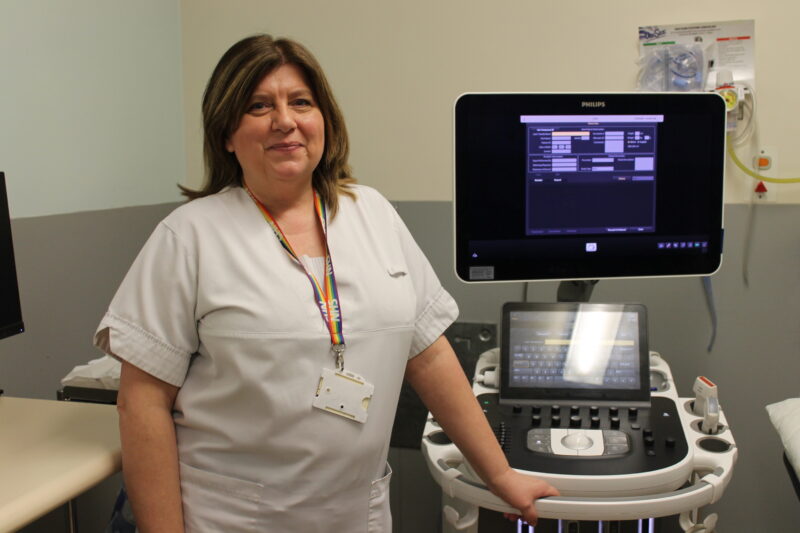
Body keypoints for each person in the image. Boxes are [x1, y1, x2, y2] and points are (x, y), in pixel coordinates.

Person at [94, 34, 558, 532]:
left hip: (357, 514)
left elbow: (429, 354)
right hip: (232, 518)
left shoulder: (372, 213)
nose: (285, 121)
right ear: (227, 132)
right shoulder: (189, 236)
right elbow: (142, 402)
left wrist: (500, 473)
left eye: (301, 102)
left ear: (324, 121)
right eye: (258, 106)